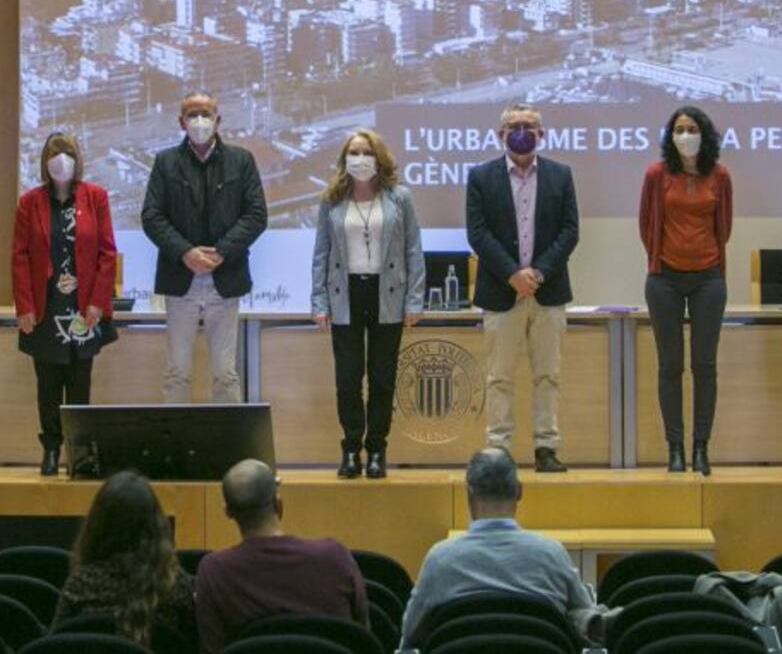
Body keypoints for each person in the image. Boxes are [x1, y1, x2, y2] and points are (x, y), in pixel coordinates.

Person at [466, 104, 579, 472]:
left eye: (529, 126)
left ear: (542, 134)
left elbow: (569, 231)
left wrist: (539, 273)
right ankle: (499, 450)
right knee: (500, 377)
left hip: (548, 293)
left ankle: (546, 447)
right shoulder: (481, 176)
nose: (521, 131)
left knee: (548, 374)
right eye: (514, 126)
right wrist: (513, 274)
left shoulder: (561, 175)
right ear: (500, 134)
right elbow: (478, 233)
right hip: (501, 293)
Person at [311, 128, 425, 479]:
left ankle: (377, 449)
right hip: (345, 294)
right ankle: (350, 450)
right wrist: (318, 300)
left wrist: (415, 300)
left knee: (382, 378)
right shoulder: (331, 199)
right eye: (354, 152)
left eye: (367, 152)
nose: (360, 159)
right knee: (347, 379)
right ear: (345, 159)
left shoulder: (399, 197)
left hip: (387, 293)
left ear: (380, 157)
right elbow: (321, 254)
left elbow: (413, 250)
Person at [141, 90, 267, 403]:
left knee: (225, 373)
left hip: (225, 278)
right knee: (177, 371)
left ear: (218, 120)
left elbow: (256, 215)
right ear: (181, 122)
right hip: (179, 276)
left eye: (206, 114)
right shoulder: (165, 162)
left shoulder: (241, 160)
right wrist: (185, 251)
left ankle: (230, 448)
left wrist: (222, 250)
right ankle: (174, 449)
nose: (200, 121)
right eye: (192, 114)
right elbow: (151, 216)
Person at [401, 447, 593, 650]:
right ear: (519, 491)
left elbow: (409, 637)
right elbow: (589, 627)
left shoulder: (439, 560)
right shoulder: (552, 554)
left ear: (469, 492)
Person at [11, 131, 117, 475]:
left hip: (84, 309)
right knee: (48, 383)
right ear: (45, 162)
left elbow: (106, 252)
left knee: (79, 380)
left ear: (77, 159)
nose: (61, 160)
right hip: (46, 309)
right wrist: (24, 306)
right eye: (55, 154)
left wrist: (99, 302)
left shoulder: (95, 197)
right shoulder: (30, 202)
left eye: (67, 153)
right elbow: (20, 256)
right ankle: (52, 449)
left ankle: (80, 451)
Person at [638, 105, 733, 476]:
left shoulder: (720, 176)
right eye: (678, 129)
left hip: (709, 278)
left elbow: (723, 227)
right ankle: (674, 447)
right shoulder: (656, 173)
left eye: (692, 128)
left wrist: (704, 257)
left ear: (704, 134)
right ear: (669, 136)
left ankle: (701, 447)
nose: (685, 135)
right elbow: (646, 224)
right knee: (670, 366)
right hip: (664, 279)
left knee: (705, 366)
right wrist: (664, 259)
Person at [195, 459, 367, 654]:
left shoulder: (214, 571)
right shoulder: (335, 556)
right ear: (279, 505)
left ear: (228, 513)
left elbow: (211, 649)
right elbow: (364, 638)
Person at [53, 470, 196, 647]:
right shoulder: (175, 585)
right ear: (155, 525)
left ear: (97, 526)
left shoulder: (80, 584)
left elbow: (55, 644)